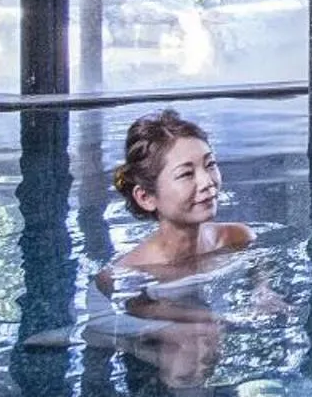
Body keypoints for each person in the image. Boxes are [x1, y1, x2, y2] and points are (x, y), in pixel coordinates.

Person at [97, 108, 254, 300]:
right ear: (146, 197)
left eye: (210, 164)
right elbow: (136, 311)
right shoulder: (125, 275)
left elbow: (258, 273)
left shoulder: (237, 238)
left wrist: (262, 291)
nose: (207, 182)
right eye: (186, 174)